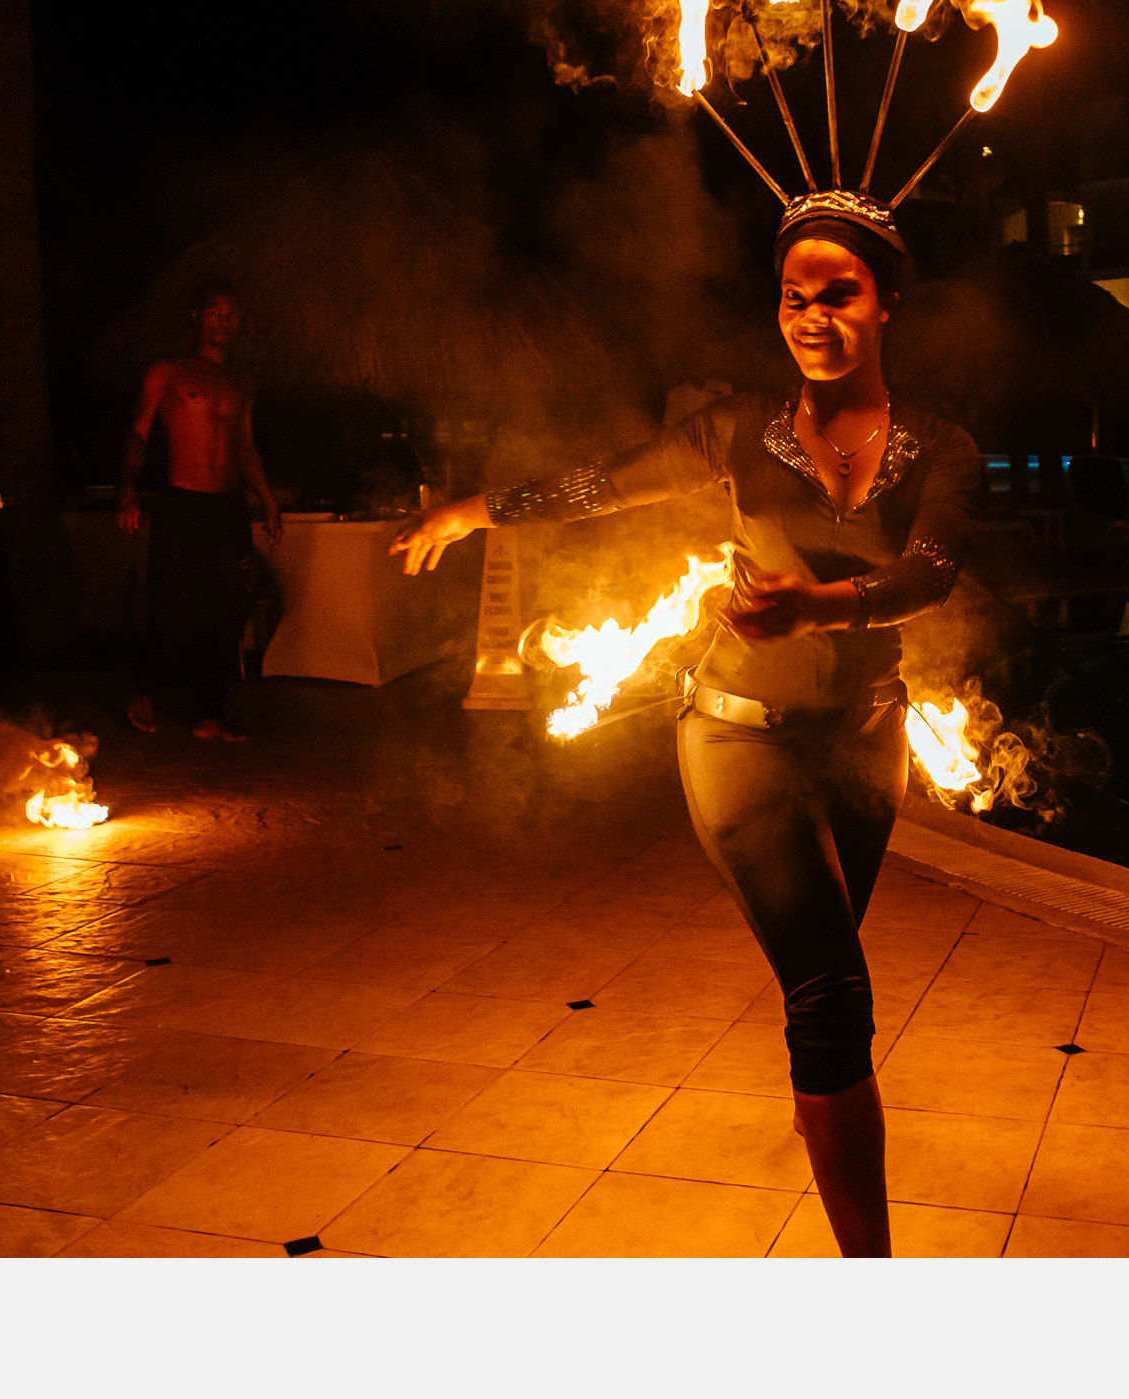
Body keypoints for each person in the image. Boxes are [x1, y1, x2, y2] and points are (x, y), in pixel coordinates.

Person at [390, 190, 978, 1257]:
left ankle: (822, 1119)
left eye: (838, 294)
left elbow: (930, 573)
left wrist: (824, 604)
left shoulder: (944, 446)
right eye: (793, 296)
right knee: (835, 993)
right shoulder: (736, 432)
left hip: (866, 743)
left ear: (888, 302)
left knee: (826, 982)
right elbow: (601, 486)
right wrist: (477, 509)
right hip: (736, 733)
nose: (811, 316)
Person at [117, 279, 282, 740]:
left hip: (226, 508)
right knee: (172, 609)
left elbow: (246, 447)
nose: (223, 321)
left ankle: (209, 714)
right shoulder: (168, 370)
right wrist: (127, 488)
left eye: (230, 314)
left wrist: (267, 502)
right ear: (196, 317)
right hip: (180, 501)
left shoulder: (242, 381)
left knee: (225, 613)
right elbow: (138, 432)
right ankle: (145, 689)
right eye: (214, 312)